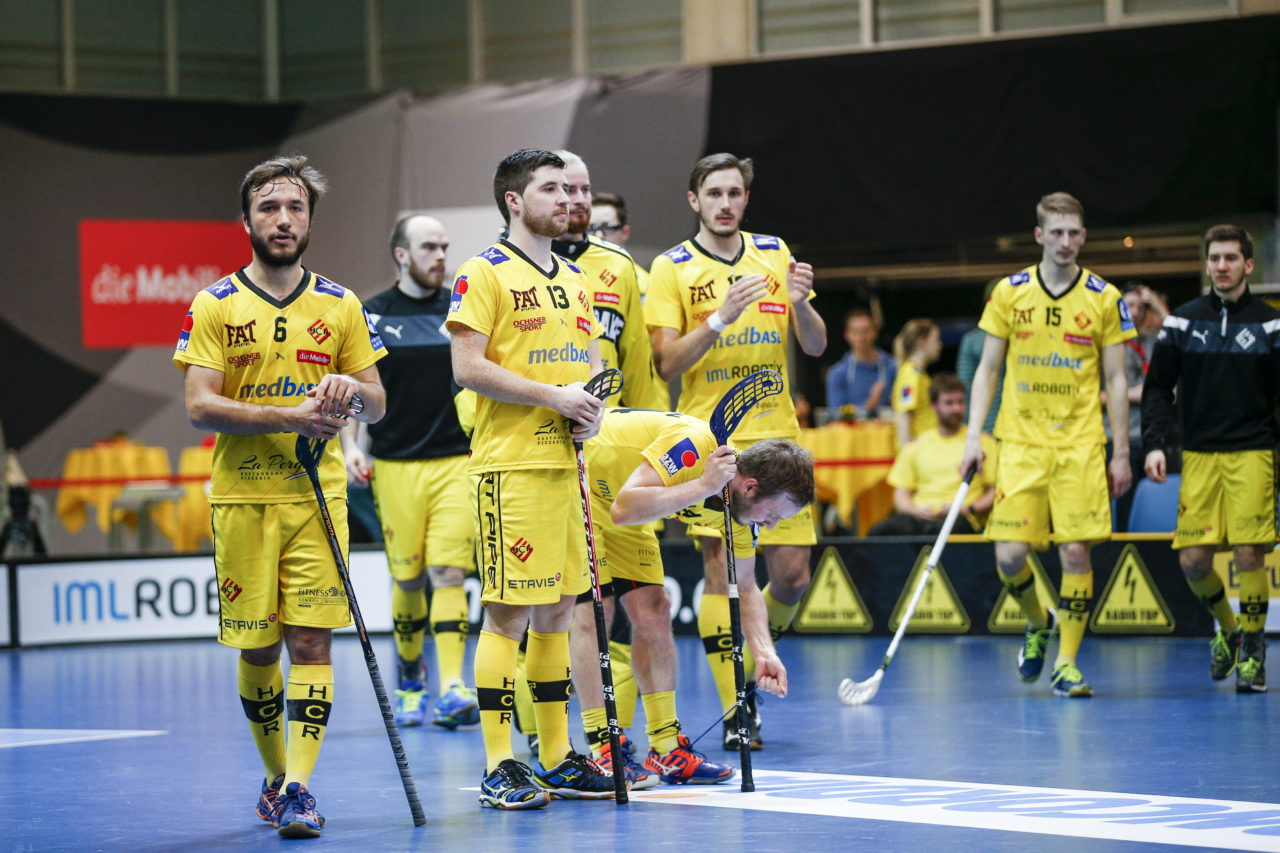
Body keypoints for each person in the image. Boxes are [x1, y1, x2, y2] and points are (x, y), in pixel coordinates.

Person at [174, 155, 387, 838]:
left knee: (310, 642)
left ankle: (300, 786)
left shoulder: (341, 304)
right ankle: (273, 775)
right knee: (260, 648)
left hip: (316, 500)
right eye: (269, 207)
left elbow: (377, 404)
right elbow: (200, 407)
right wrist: (292, 416)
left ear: (310, 220)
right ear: (246, 221)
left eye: (294, 207)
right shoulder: (215, 303)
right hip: (242, 500)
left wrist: (348, 391)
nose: (283, 219)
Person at [447, 148, 616, 810]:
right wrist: (554, 397)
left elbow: (590, 368)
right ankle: (498, 763)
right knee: (508, 614)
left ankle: (554, 756)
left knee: (557, 612)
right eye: (550, 188)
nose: (566, 198)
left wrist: (591, 413)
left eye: (571, 188)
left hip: (565, 465)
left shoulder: (575, 279)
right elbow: (467, 365)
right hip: (510, 466)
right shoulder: (482, 271)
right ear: (515, 201)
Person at [646, 152, 826, 750]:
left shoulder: (774, 253)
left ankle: (758, 649)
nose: (726, 203)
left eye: (735, 193)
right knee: (726, 577)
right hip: (715, 443)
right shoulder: (672, 268)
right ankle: (737, 706)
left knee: (793, 577)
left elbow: (817, 345)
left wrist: (800, 303)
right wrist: (720, 318)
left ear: (745, 198)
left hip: (781, 438)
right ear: (694, 200)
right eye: (714, 193)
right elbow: (666, 362)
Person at [570, 409, 807, 785]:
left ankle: (666, 747)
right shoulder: (697, 447)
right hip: (579, 476)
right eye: (774, 514)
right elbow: (624, 507)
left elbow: (745, 587)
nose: (773, 525)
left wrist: (764, 651)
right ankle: (603, 747)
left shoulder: (742, 517)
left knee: (655, 608)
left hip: (627, 505)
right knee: (595, 609)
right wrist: (702, 486)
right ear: (751, 486)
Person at [961, 191, 1134, 699]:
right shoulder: (1009, 293)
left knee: (1076, 552)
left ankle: (1067, 662)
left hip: (1081, 445)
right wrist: (974, 437)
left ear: (1083, 235)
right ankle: (1038, 621)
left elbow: (1118, 382)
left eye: (1073, 233)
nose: (1065, 242)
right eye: (1055, 233)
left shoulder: (1105, 297)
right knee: (1010, 556)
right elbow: (987, 369)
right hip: (1021, 445)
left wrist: (1120, 452)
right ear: (1039, 235)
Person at [338, 213, 480, 729]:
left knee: (448, 572)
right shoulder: (371, 315)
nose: (440, 256)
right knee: (409, 576)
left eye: (444, 246)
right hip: (395, 465)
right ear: (401, 254)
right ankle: (411, 678)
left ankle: (451, 686)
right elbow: (356, 390)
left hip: (454, 462)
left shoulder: (460, 312)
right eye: (428, 248)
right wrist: (353, 446)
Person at [1143, 224, 1278, 693]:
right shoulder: (1182, 322)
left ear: (1248, 265)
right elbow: (1157, 388)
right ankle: (1231, 629)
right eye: (1215, 258)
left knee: (1248, 553)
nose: (1222, 266)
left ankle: (1255, 651)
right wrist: (1156, 443)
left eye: (1231, 258)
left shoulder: (1270, 323)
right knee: (1195, 562)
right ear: (1206, 265)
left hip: (1253, 454)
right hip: (1199, 456)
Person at [868, 373, 997, 536]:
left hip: (962, 518)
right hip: (920, 517)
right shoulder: (916, 445)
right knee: (879, 532)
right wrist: (915, 510)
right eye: (949, 403)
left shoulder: (982, 442)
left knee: (944, 530)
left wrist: (967, 508)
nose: (956, 408)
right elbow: (901, 494)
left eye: (959, 402)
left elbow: (996, 491)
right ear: (933, 406)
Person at [1104, 282, 1169, 530]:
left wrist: (1155, 301)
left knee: (1151, 508)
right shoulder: (1106, 342)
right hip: (1115, 438)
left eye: (1142, 307)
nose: (1135, 312)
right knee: (1121, 508)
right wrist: (1134, 393)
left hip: (1149, 438)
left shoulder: (1151, 340)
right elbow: (1093, 393)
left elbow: (1177, 331)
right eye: (1128, 306)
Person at [826, 308, 897, 418]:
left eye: (866, 331)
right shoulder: (837, 373)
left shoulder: (893, 367)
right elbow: (837, 416)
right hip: (852, 434)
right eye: (855, 332)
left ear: (875, 332)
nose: (861, 337)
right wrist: (869, 405)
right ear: (847, 335)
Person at [957, 279, 1004, 434]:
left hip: (993, 427)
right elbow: (964, 387)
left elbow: (964, 385)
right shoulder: (972, 341)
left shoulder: (971, 340)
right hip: (994, 427)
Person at [891, 318, 942, 446]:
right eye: (936, 339)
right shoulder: (911, 375)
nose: (940, 345)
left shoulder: (920, 374)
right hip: (919, 451)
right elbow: (903, 416)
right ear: (922, 341)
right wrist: (907, 455)